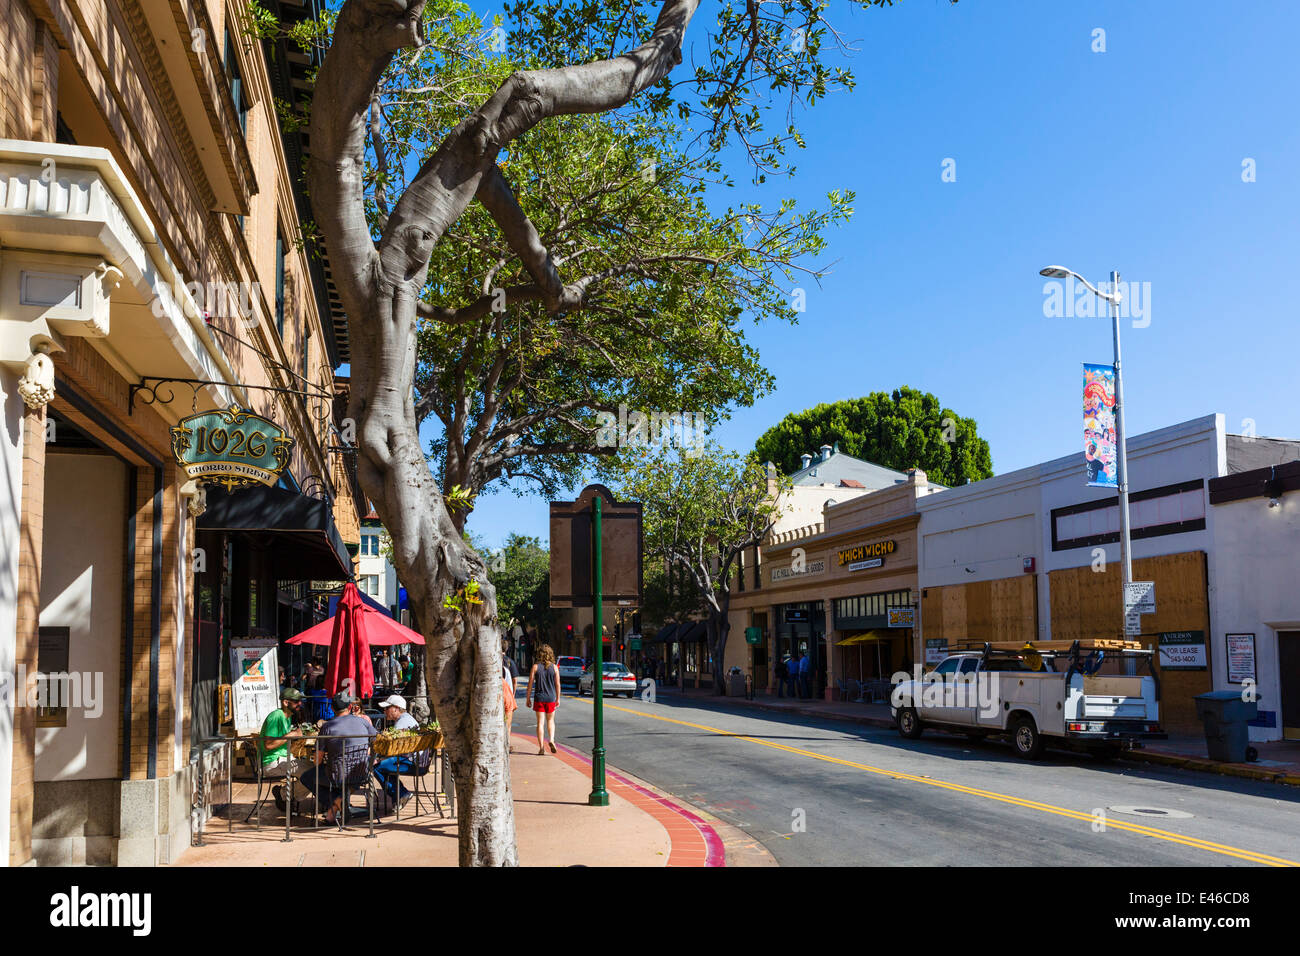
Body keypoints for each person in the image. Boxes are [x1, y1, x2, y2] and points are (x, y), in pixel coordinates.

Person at [299, 691, 378, 823]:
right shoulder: (363, 722)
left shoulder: (327, 727)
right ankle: (333, 812)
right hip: (362, 772)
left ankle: (337, 802)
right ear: (349, 707)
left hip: (338, 775)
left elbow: (317, 760)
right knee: (342, 777)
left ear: (332, 708)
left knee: (307, 777)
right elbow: (378, 740)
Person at [259, 688, 306, 813]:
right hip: (273, 762)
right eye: (296, 702)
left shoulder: (287, 717)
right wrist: (291, 735)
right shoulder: (276, 716)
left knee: (315, 769)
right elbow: (268, 745)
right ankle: (283, 794)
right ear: (286, 702)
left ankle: (287, 795)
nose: (299, 704)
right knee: (313, 774)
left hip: (284, 759)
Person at [371, 693, 418, 809]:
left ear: (396, 709)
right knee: (382, 766)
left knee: (377, 767)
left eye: (387, 708)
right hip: (410, 759)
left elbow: (394, 748)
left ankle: (401, 794)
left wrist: (379, 759)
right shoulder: (405, 719)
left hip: (410, 761)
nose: (384, 711)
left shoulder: (402, 723)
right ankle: (399, 795)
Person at [525, 643, 560, 755]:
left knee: (540, 723)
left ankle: (541, 747)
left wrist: (528, 698)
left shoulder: (535, 667)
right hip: (551, 698)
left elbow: (530, 683)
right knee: (550, 720)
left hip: (539, 697)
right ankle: (551, 740)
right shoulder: (554, 668)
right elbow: (558, 684)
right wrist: (558, 698)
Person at [502, 639, 519, 752]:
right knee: (507, 724)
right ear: (506, 649)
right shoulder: (509, 662)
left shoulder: (491, 660)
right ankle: (506, 745)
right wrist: (513, 694)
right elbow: (514, 680)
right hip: (507, 695)